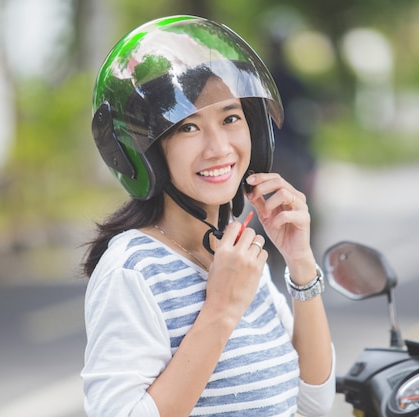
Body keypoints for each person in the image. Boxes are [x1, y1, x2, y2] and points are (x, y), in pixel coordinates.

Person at [81, 15, 335, 417]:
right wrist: (220, 311)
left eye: (230, 118)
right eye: (187, 128)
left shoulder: (237, 253)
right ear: (146, 154)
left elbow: (313, 405)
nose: (219, 147)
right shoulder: (133, 271)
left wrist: (300, 263)